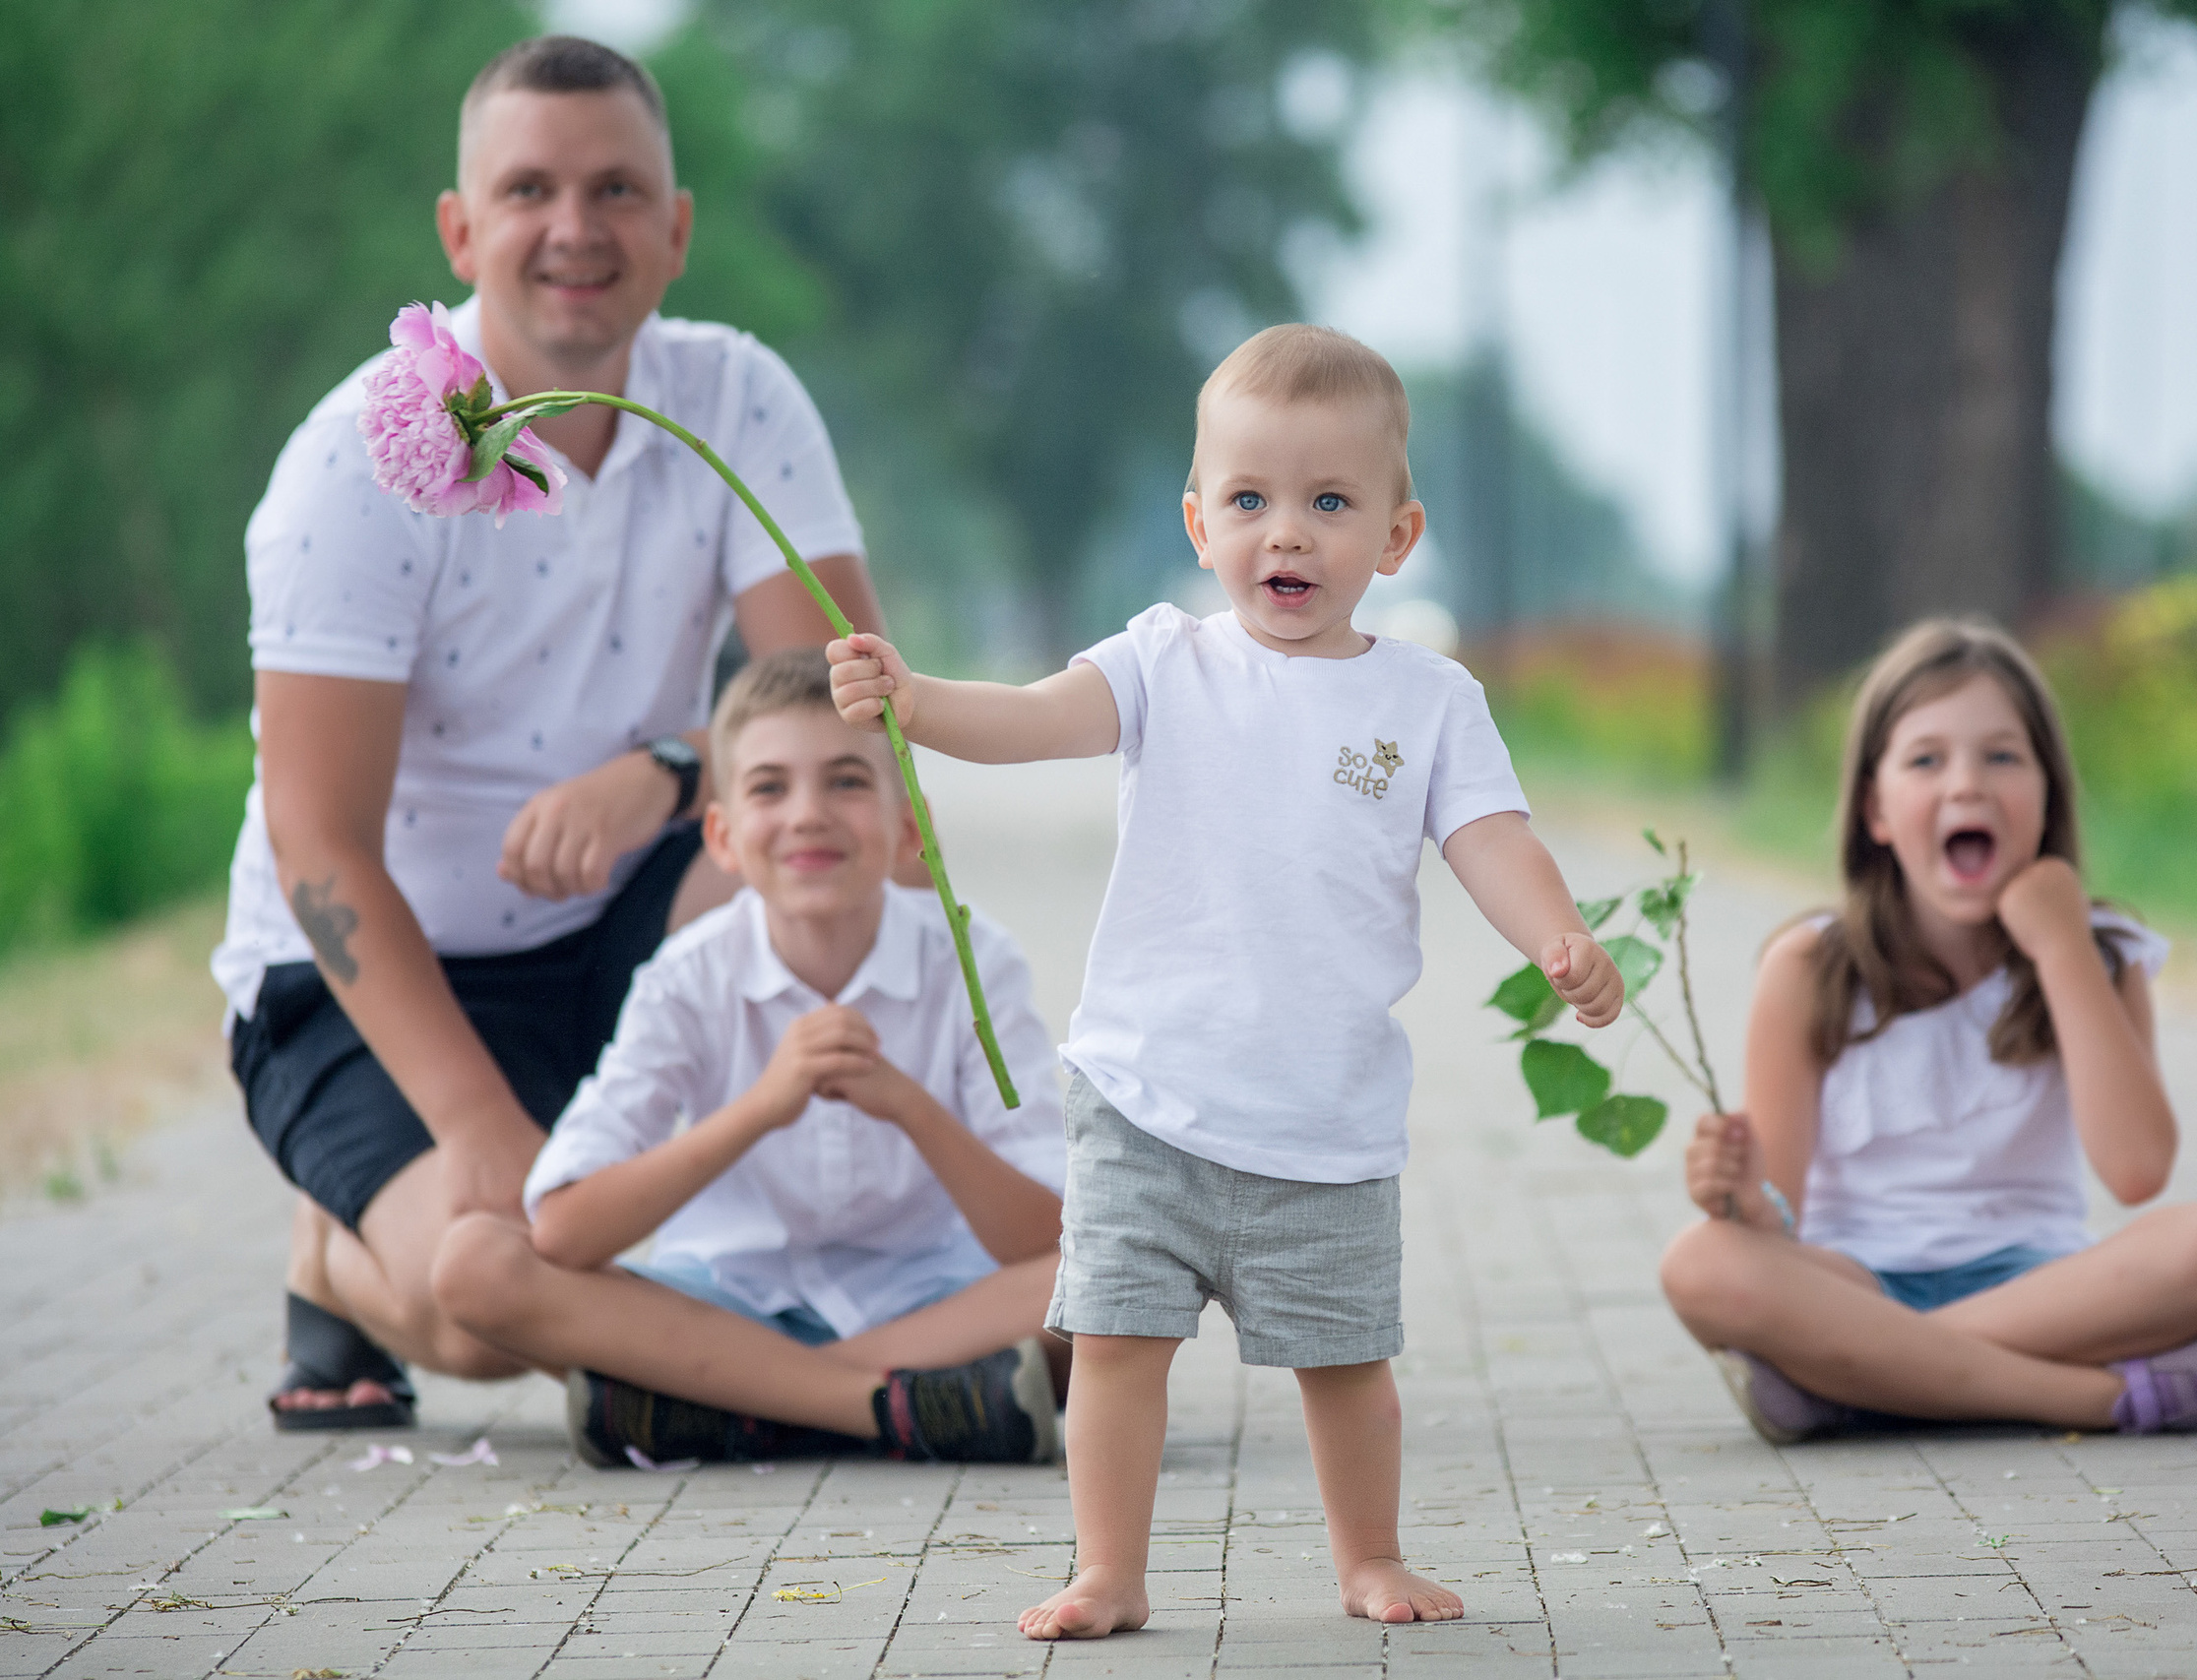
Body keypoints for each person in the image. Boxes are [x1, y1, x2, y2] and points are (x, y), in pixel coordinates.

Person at [826, 324, 1626, 1639]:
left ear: (1397, 532)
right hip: (1147, 1093)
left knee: (1346, 1363)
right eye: (1250, 500)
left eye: (1329, 502)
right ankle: (1109, 1569)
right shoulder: (1162, 662)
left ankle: (1369, 1553)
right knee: (1117, 1348)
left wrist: (1558, 936)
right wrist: (916, 700)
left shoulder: (1428, 700)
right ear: (1200, 521)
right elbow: (1034, 717)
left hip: (1324, 1116)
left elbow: (1495, 837)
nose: (1288, 535)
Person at [214, 35, 884, 1431]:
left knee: (858, 845)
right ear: (461, 230)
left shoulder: (737, 394)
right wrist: (475, 1131)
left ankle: (828, 1252)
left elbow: (848, 711)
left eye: (619, 190)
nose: (576, 229)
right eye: (529, 190)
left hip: (617, 921)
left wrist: (667, 771)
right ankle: (334, 1243)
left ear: (679, 228)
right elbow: (317, 840)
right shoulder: (355, 460)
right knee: (483, 1309)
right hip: (371, 972)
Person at [429, 649, 1067, 1465]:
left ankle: (733, 1404)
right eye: (769, 787)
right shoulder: (687, 974)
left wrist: (910, 1105)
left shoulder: (975, 964)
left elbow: (1047, 1235)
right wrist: (763, 1105)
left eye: (845, 781)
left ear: (912, 824)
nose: (807, 814)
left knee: (1105, 1276)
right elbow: (560, 1229)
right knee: (475, 1263)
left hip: (932, 1302)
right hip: (724, 1303)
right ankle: (884, 1408)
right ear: (724, 838)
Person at [1660, 618, 2197, 1444]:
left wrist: (2060, 944)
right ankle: (2100, 1399)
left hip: (2046, 1281)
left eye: (2001, 756)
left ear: (2047, 795)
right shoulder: (1809, 966)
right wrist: (1742, 1195)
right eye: (1926, 759)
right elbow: (1780, 1217)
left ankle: (1855, 1382)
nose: (1967, 785)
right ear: (1876, 810)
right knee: (1701, 1264)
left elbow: (2138, 1169)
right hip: (1855, 1280)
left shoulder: (2103, 956)